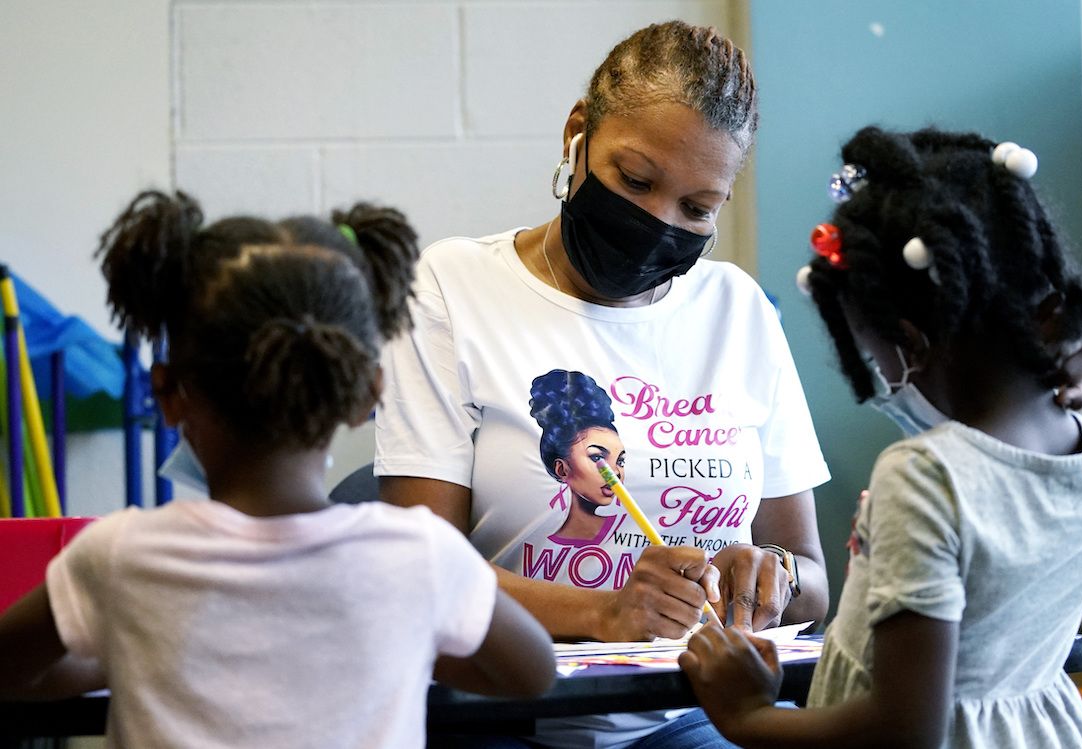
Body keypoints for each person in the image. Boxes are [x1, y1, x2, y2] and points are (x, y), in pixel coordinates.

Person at [374, 19, 831, 748]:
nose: (655, 223)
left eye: (696, 207)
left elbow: (811, 575)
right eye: (635, 179)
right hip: (507, 711)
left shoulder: (736, 309)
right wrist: (605, 610)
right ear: (576, 134)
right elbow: (415, 572)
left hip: (691, 714)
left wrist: (769, 576)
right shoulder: (450, 287)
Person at [0, 191, 556, 748]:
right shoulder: (421, 557)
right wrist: (403, 647)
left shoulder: (117, 555)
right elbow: (533, 673)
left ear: (166, 394)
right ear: (369, 394)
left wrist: (133, 657)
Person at [679, 126, 1082, 748]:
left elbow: (906, 729)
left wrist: (748, 717)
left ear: (910, 342)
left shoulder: (927, 479)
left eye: (875, 353)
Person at [530, 369, 627, 546]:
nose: (616, 472)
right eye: (597, 457)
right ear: (562, 469)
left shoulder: (630, 532)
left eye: (620, 461)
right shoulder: (539, 540)